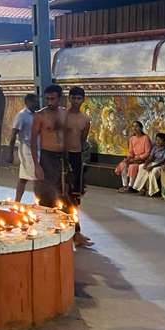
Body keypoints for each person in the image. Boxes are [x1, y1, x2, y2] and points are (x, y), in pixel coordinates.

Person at [65, 85, 93, 246]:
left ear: (83, 99)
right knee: (61, 195)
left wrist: (82, 161)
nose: (75, 101)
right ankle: (64, 231)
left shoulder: (85, 120)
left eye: (78, 98)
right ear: (69, 98)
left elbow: (82, 142)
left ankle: (76, 232)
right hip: (61, 157)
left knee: (75, 198)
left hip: (76, 158)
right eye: (73, 97)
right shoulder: (63, 116)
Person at [30, 84, 66, 207]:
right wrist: (36, 165)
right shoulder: (40, 116)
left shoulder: (65, 113)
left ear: (60, 98)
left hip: (63, 157)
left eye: (53, 99)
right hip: (47, 157)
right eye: (47, 99)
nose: (49, 102)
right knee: (47, 194)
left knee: (65, 192)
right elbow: (33, 141)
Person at [8, 93, 39, 202]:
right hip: (27, 150)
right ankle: (37, 202)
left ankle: (17, 201)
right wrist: (10, 153)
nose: (37, 103)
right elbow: (13, 135)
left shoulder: (38, 114)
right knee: (36, 177)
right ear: (27, 102)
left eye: (37, 101)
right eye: (34, 101)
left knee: (23, 177)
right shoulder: (21, 115)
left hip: (37, 149)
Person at [115, 121, 152, 192]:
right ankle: (125, 185)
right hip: (134, 159)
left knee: (132, 166)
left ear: (141, 128)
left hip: (143, 160)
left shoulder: (145, 138)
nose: (135, 128)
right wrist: (128, 158)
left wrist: (138, 158)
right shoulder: (132, 139)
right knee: (123, 164)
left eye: (137, 126)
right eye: (133, 126)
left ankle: (130, 187)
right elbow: (130, 152)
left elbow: (147, 153)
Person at [133, 132, 165, 196]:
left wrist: (152, 167)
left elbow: (162, 161)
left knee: (154, 171)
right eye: (156, 139)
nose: (157, 141)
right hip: (153, 163)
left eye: (160, 140)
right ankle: (141, 188)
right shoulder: (155, 148)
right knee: (141, 167)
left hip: (160, 165)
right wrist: (146, 164)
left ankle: (151, 191)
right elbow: (150, 157)